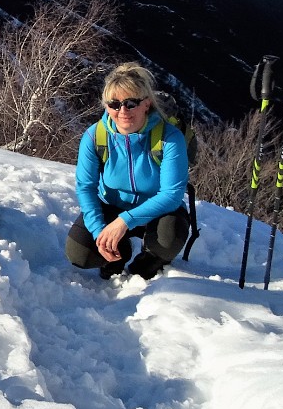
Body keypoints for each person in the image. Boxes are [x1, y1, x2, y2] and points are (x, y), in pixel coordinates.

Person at [66, 62, 191, 279]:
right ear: (106, 106)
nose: (122, 111)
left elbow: (172, 195)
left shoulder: (169, 138)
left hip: (159, 211)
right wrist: (100, 233)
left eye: (131, 103)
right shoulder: (95, 136)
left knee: (167, 240)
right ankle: (118, 254)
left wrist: (125, 221)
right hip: (112, 206)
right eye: (114, 104)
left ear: (147, 104)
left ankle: (149, 262)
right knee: (80, 254)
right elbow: (85, 187)